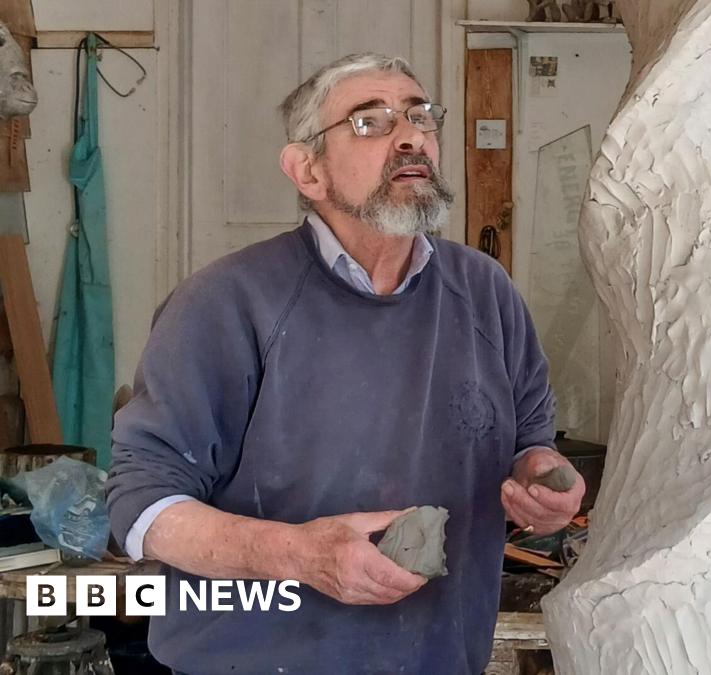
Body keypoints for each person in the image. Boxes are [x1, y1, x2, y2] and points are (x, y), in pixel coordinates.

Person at [106, 52, 584, 674]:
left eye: (419, 116)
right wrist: (298, 555)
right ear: (307, 169)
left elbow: (530, 442)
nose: (411, 135)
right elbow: (141, 509)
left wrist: (544, 478)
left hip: (441, 657)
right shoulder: (225, 303)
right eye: (370, 121)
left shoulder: (485, 291)